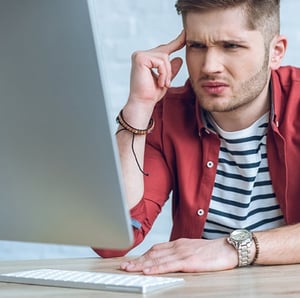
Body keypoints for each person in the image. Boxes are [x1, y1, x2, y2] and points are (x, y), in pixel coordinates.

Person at [94, 0, 300, 274]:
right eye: (197, 46)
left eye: (231, 46)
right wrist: (138, 107)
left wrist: (233, 248)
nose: (209, 66)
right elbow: (113, 241)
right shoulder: (168, 114)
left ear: (276, 52)